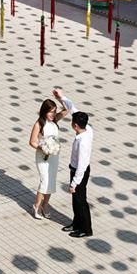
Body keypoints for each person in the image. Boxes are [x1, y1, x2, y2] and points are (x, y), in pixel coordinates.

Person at [54, 89, 94, 238]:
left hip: (80, 172)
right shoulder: (87, 129)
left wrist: (74, 184)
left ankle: (86, 229)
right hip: (76, 170)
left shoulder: (83, 142)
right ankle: (76, 223)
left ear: (75, 126)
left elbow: (82, 166)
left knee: (80, 201)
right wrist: (61, 98)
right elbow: (73, 109)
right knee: (76, 201)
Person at [27, 95, 68, 219]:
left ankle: (45, 205)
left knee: (51, 180)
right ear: (44, 111)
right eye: (50, 112)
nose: (53, 114)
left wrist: (60, 98)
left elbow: (67, 110)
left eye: (54, 111)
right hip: (42, 156)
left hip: (54, 155)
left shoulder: (55, 120)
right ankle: (36, 206)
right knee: (44, 180)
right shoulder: (39, 124)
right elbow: (32, 142)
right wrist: (44, 148)